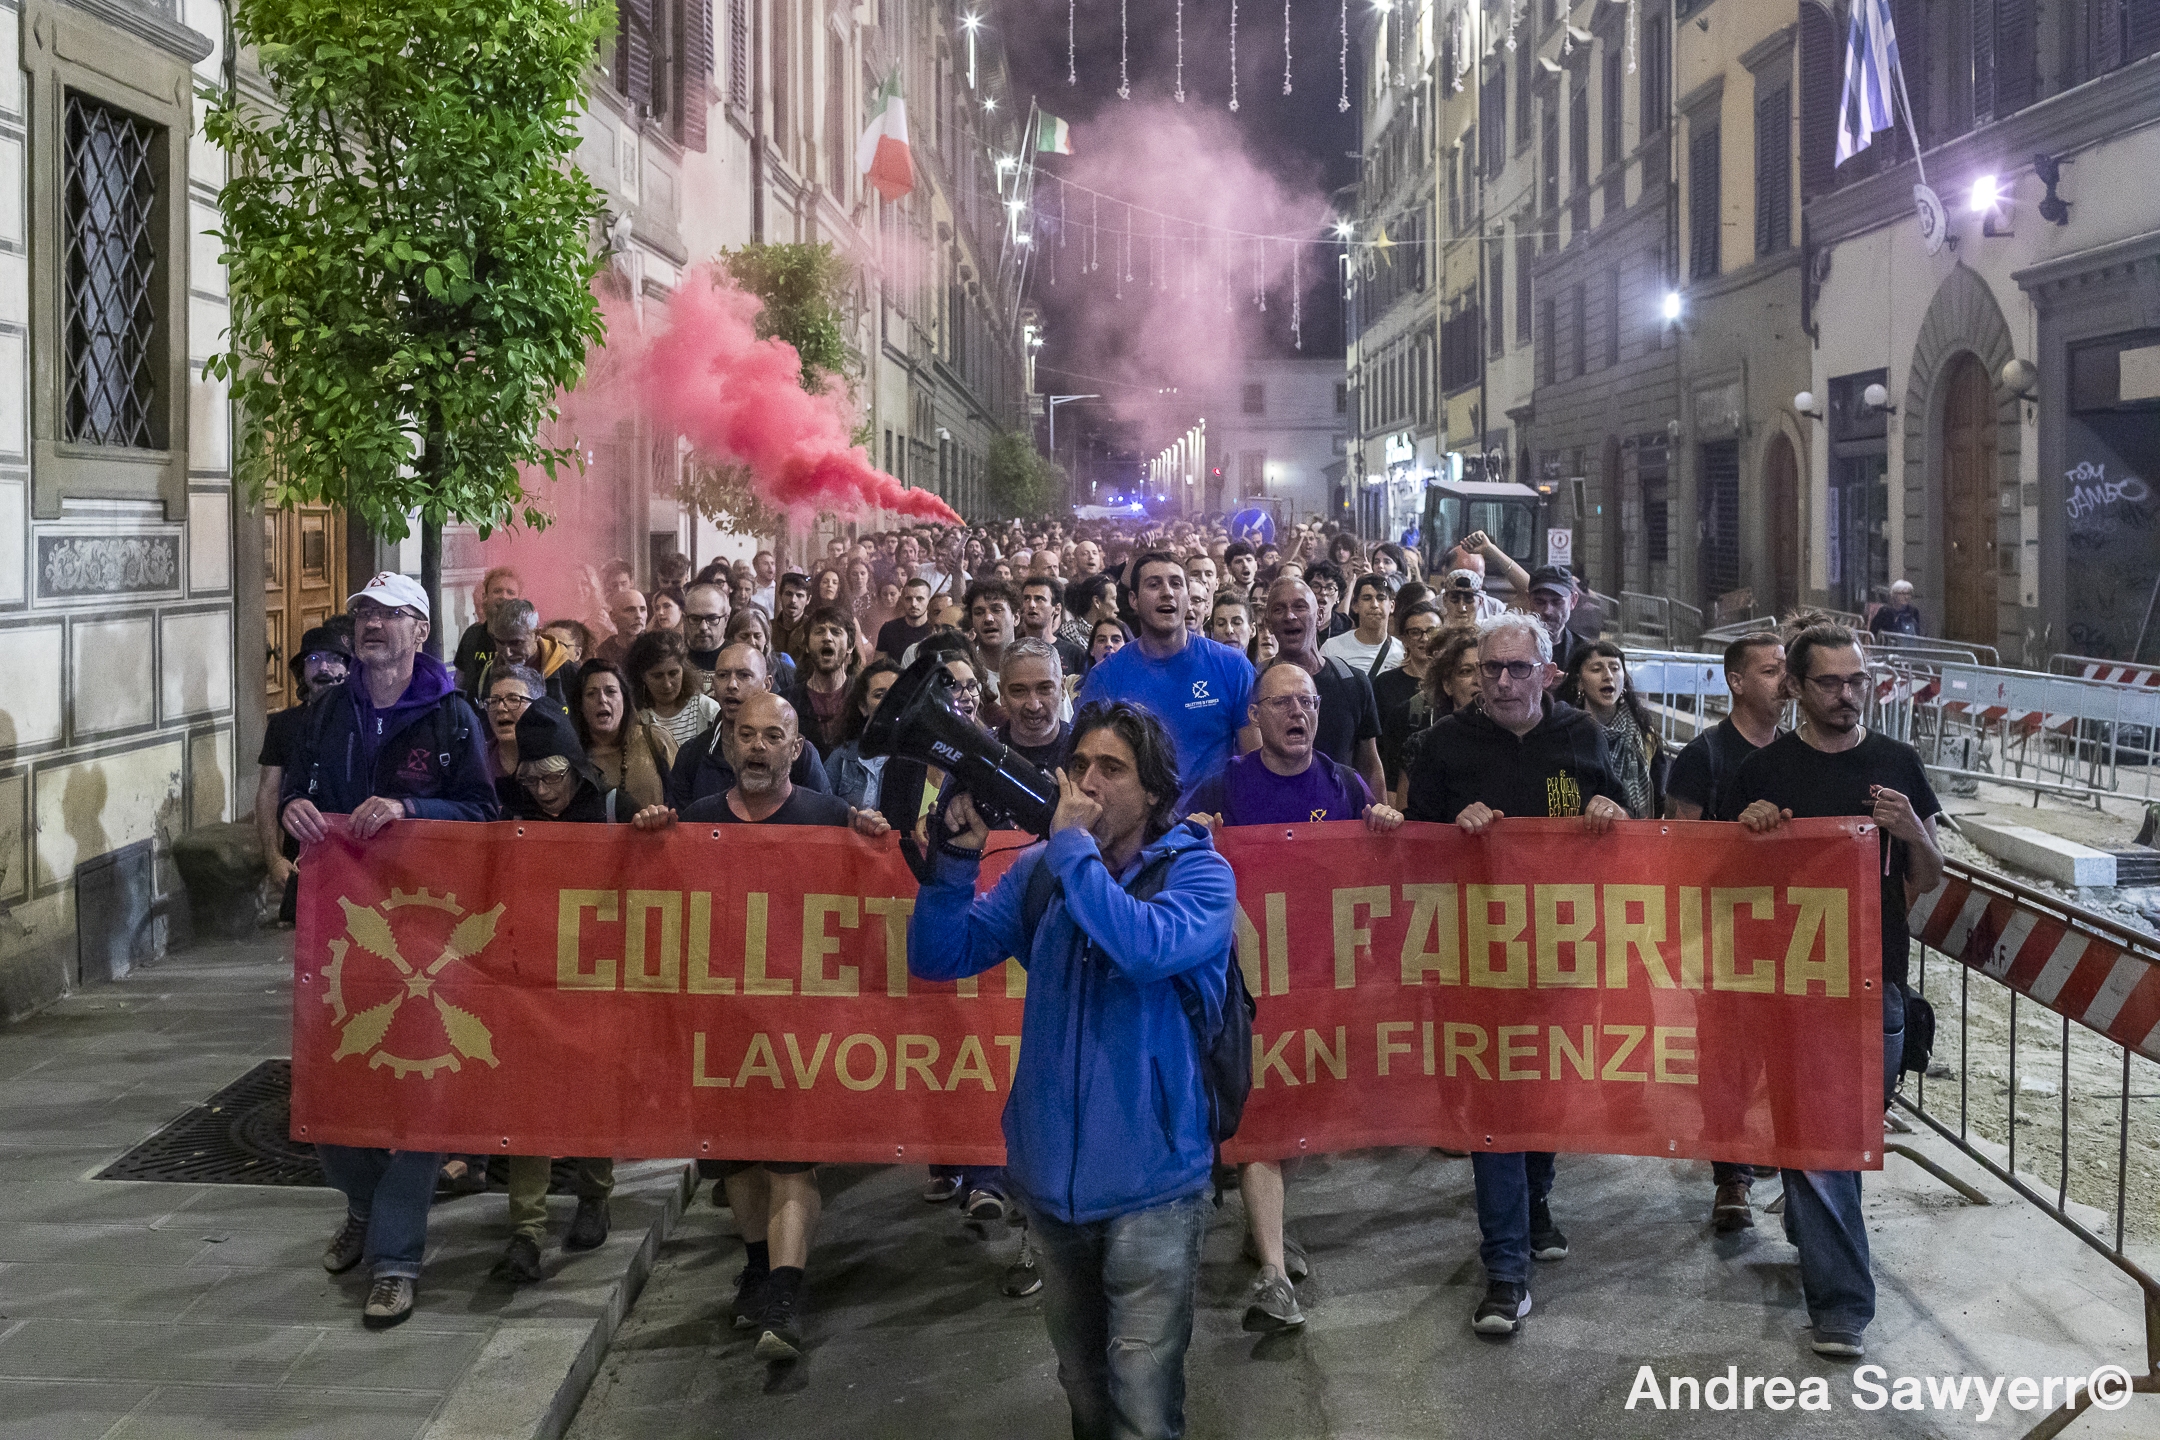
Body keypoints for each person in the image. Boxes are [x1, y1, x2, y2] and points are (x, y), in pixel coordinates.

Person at [908, 702, 1235, 1440]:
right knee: (1084, 1385)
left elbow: (1142, 948)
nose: (1085, 784)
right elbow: (939, 955)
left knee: (1143, 1402)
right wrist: (955, 863)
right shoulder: (1042, 873)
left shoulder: (1201, 876)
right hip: (1051, 1181)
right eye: (1078, 766)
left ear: (1154, 791)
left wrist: (1072, 851)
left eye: (1111, 770)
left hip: (1155, 1184)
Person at [630, 693, 886, 1360]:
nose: (757, 747)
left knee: (791, 1162)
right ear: (727, 744)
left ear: (796, 749)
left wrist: (875, 844)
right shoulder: (696, 822)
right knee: (736, 1158)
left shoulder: (832, 820)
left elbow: (875, 906)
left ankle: (786, 1292)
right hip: (718, 1026)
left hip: (802, 1029)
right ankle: (756, 1267)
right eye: (746, 734)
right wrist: (652, 834)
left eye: (773, 736)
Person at [280, 572, 498, 1330]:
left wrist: (409, 807)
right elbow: (294, 799)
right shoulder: (328, 709)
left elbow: (483, 811)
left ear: (420, 630)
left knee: (419, 1095)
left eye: (388, 615)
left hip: (425, 934)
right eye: (362, 614)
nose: (370, 625)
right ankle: (365, 1209)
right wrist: (295, 810)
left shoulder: (451, 716)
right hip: (339, 930)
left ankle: (397, 1258)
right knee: (331, 1087)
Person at [1401, 612, 1628, 1338]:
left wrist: (1607, 809)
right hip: (1474, 963)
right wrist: (1445, 829)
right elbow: (1408, 851)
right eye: (1490, 669)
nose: (1500, 682)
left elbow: (1628, 826)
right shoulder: (1442, 745)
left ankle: (1536, 1204)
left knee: (1546, 1096)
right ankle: (1505, 1273)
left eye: (1516, 669)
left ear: (1548, 674)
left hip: (1561, 959)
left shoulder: (1583, 737)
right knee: (1495, 1114)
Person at [1726, 624, 1942, 1360]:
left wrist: (1914, 829)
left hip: (1875, 983)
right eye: (1830, 683)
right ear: (1794, 687)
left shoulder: (1898, 764)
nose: (1847, 695)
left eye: (1857, 682)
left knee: (1837, 1141)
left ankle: (1811, 1222)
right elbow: (1716, 885)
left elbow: (1928, 879)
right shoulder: (1764, 772)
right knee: (1827, 1145)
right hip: (1789, 988)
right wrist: (1749, 834)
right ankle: (1843, 1305)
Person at [1180, 662, 1404, 1337]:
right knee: (1264, 1121)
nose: (1298, 714)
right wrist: (1193, 829)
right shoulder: (1225, 783)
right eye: (1282, 703)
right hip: (1244, 985)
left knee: (1297, 1110)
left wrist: (1386, 824)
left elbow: (1377, 863)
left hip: (1318, 982)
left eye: (1307, 702)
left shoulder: (1342, 783)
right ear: (1257, 715)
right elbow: (1174, 847)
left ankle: (1262, 1230)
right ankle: (1273, 1277)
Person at [1661, 632, 1786, 1231]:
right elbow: (1680, 853)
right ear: (1737, 681)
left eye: (1787, 671)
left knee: (1784, 1058)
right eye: (1769, 671)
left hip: (1790, 937)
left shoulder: (1798, 754)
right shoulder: (1704, 756)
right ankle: (1731, 1177)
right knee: (1727, 1063)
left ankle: (1794, 1165)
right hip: (1722, 936)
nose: (1783, 682)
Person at [495, 700, 620, 1282]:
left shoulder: (611, 806)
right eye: (532, 778)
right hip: (529, 970)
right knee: (530, 1098)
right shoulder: (508, 805)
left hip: (594, 972)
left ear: (574, 766)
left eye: (554, 777)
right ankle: (526, 1228)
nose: (543, 791)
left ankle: (595, 1194)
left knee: (591, 1087)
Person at [1074, 551, 1255, 792]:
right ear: (1133, 600)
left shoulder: (1232, 666)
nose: (1167, 592)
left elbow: (1257, 763)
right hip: (1135, 827)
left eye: (1176, 584)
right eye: (1154, 584)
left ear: (1188, 598)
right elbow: (1085, 770)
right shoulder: (1105, 677)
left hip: (1215, 824)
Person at [257, 625, 353, 924]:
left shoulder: (363, 723)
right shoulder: (284, 725)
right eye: (313, 659)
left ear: (349, 668)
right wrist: (273, 858)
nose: (323, 667)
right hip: (306, 858)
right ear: (302, 671)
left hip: (357, 857)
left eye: (333, 658)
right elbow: (269, 792)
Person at [1261, 577, 1386, 801]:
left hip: (1339, 822)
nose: (1290, 616)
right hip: (1276, 819)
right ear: (1268, 622)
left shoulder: (1353, 682)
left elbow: (1369, 765)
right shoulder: (1255, 685)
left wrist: (1380, 823)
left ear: (1319, 616)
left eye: (1300, 606)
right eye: (1279, 609)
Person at [667, 641, 830, 807]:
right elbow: (679, 826)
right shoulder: (692, 753)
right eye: (723, 675)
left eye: (744, 675)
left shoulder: (799, 753)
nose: (732, 685)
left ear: (767, 684)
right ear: (714, 684)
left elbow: (825, 818)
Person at [1559, 641, 1669, 820]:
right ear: (1579, 682)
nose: (1608, 676)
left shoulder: (1645, 738)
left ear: (1624, 679)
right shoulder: (1564, 735)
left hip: (1632, 840)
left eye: (1615, 668)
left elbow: (1658, 802)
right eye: (1596, 669)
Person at [1394, 624, 1482, 806]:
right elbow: (1408, 818)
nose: (1478, 680)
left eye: (1485, 670)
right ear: (1447, 685)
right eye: (1466, 671)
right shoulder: (1422, 744)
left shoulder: (1508, 738)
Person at [573, 658, 675, 811]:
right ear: (580, 705)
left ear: (625, 699)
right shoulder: (572, 755)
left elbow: (685, 800)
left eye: (611, 692)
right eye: (591, 694)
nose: (602, 699)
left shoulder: (655, 739)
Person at [1373, 601, 1444, 796]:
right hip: (1397, 785)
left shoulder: (1452, 684)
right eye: (1415, 632)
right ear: (1404, 639)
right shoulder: (1384, 684)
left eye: (1432, 631)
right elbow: (1379, 748)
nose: (1425, 638)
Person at [467, 599, 576, 708]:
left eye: (516, 643)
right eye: (500, 642)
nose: (507, 653)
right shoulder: (484, 679)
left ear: (537, 634)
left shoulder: (568, 673)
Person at [823, 659, 902, 809]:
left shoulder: (917, 761)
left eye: (896, 694)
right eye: (879, 695)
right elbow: (823, 812)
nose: (890, 701)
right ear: (863, 707)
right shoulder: (842, 758)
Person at [784, 604, 859, 756]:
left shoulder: (862, 697)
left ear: (850, 645)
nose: (827, 638)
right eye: (819, 632)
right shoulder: (787, 702)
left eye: (836, 632)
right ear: (806, 646)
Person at [627, 629, 720, 751]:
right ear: (642, 676)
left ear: (683, 669)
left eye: (673, 673)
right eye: (657, 676)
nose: (667, 685)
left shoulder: (706, 709)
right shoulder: (634, 717)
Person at [996, 638, 1070, 772]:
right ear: (1002, 695)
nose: (1034, 706)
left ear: (1063, 688)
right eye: (1019, 691)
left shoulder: (1087, 752)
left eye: (1045, 689)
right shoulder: (981, 754)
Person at [452, 566, 523, 688]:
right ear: (485, 597)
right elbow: (459, 682)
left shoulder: (527, 639)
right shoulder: (471, 635)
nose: (504, 596)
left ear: (520, 600)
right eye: (497, 591)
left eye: (510, 592)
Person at [1321, 573, 1403, 676]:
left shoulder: (1402, 653)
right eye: (1367, 598)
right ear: (1355, 605)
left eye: (1381, 598)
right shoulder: (1331, 648)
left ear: (1392, 606)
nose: (1374, 605)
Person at [480, 666, 542, 797]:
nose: (500, 708)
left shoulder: (557, 760)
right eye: (493, 701)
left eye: (514, 699)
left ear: (539, 707)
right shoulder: (477, 761)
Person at [965, 578, 1021, 704]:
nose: (988, 618)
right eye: (979, 612)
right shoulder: (965, 673)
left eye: (997, 610)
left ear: (1016, 617)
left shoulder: (1038, 668)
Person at [1019, 574, 1090, 675]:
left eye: (1039, 599)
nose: (1031, 604)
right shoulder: (1013, 650)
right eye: (1026, 599)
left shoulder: (1074, 654)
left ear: (1057, 609)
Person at [1524, 566, 1586, 676]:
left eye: (1557, 602)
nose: (1548, 611)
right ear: (1528, 600)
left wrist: (1572, 684)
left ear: (1573, 601)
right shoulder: (1510, 648)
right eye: (1540, 602)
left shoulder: (1585, 653)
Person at [726, 606, 796, 691]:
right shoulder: (723, 669)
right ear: (732, 639)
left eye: (757, 636)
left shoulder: (785, 671)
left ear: (766, 638)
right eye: (744, 636)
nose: (752, 642)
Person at [681, 582, 731, 696]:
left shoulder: (741, 658)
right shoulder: (674, 658)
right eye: (694, 618)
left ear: (726, 620)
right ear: (684, 619)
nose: (703, 627)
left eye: (712, 618)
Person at [876, 577, 936, 660]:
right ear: (902, 600)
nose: (914, 604)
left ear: (929, 600)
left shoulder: (937, 631)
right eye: (908, 598)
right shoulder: (888, 629)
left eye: (920, 598)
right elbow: (877, 667)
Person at [594, 588, 649, 668]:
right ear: (613, 616)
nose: (639, 616)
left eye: (643, 609)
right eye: (630, 610)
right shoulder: (603, 652)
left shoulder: (655, 647)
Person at [1303, 560, 1355, 640]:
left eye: (1330, 588)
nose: (1323, 592)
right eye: (1316, 586)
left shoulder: (1346, 626)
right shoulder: (1298, 622)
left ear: (1338, 596)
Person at [770, 572, 814, 662]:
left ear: (808, 600)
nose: (793, 600)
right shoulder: (767, 628)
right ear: (780, 595)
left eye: (799, 595)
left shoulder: (813, 629)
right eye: (788, 594)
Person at [1207, 591, 1253, 655]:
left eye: (1237, 623)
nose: (1229, 630)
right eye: (1221, 624)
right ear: (1212, 631)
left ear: (1252, 630)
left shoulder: (1265, 664)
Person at [1182, 553, 1219, 630]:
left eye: (1208, 574)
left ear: (1217, 583)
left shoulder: (1224, 619)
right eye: (1195, 574)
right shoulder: (1176, 621)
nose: (1203, 579)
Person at [749, 549, 779, 616]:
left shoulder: (780, 589)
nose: (770, 567)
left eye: (772, 563)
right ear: (756, 567)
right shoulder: (750, 589)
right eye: (765, 564)